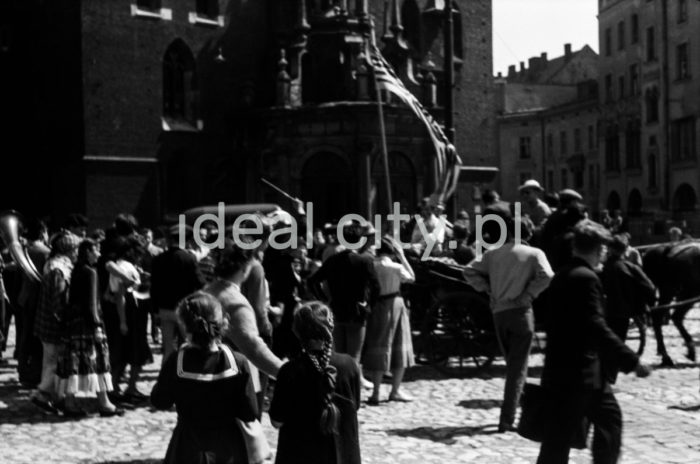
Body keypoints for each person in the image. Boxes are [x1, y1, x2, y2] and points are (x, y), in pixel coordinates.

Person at [537, 220, 652, 464]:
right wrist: (632, 361)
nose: (604, 253)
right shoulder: (586, 278)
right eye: (603, 248)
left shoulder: (562, 274)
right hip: (582, 374)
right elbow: (595, 326)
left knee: (558, 439)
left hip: (561, 370)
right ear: (597, 248)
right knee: (607, 423)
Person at [464, 215, 553, 432]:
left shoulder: (493, 253)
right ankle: (507, 418)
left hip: (498, 313)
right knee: (517, 369)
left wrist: (487, 289)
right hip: (521, 314)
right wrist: (529, 294)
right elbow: (548, 275)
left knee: (512, 364)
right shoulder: (534, 253)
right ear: (529, 233)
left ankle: (516, 407)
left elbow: (468, 270)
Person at [151, 292, 261, 464]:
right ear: (221, 322)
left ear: (185, 326)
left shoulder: (177, 361)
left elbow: (160, 401)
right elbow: (250, 413)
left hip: (187, 446)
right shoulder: (237, 362)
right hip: (228, 448)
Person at [269, 302, 361, 464]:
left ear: (297, 332)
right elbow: (355, 407)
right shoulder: (349, 366)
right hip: (342, 455)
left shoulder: (289, 371)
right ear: (331, 328)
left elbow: (277, 421)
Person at [204, 241, 284, 397]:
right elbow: (254, 350)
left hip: (203, 376)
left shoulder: (207, 291)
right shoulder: (236, 303)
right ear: (245, 268)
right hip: (228, 379)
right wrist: (285, 373)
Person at [56, 239, 124, 417]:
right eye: (96, 250)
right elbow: (91, 303)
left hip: (74, 324)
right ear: (88, 252)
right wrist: (97, 325)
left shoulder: (77, 269)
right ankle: (104, 403)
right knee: (99, 361)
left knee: (74, 363)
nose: (99, 254)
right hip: (88, 325)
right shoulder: (91, 272)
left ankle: (71, 401)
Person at [307, 221, 380, 365]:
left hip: (337, 310)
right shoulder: (365, 260)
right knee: (354, 357)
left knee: (339, 356)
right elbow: (376, 286)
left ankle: (341, 386)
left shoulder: (333, 260)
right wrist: (370, 305)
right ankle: (352, 386)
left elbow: (312, 281)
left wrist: (323, 299)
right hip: (357, 311)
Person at [31, 231, 81, 413]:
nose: (77, 253)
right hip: (54, 325)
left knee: (50, 362)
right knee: (55, 363)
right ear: (68, 249)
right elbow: (58, 300)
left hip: (46, 323)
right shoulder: (59, 269)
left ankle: (55, 397)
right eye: (75, 249)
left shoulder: (53, 265)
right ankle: (41, 394)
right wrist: (65, 320)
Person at [363, 236, 416, 405]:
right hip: (395, 304)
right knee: (400, 347)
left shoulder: (371, 265)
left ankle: (376, 393)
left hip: (377, 305)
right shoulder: (396, 266)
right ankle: (395, 390)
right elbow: (412, 277)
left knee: (378, 346)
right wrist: (402, 256)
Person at [600, 235, 656, 382]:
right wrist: (644, 304)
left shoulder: (602, 269)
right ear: (625, 250)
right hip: (622, 313)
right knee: (617, 343)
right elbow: (649, 288)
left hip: (603, 312)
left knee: (604, 345)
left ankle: (605, 376)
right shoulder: (629, 267)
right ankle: (609, 379)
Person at [103, 236, 151, 401]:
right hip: (130, 312)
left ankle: (116, 387)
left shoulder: (121, 266)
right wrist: (123, 321)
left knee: (123, 351)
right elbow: (120, 296)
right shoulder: (124, 267)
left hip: (128, 311)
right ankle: (126, 387)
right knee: (132, 351)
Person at [151, 225, 205, 360]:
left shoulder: (158, 259)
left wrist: (154, 310)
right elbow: (200, 283)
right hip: (184, 309)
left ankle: (166, 377)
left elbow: (154, 287)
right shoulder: (189, 258)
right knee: (189, 345)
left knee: (168, 349)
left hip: (164, 309)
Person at [15, 218, 51, 386]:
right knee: (37, 338)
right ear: (43, 231)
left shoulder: (23, 250)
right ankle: (34, 373)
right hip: (39, 298)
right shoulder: (45, 252)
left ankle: (23, 371)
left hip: (24, 296)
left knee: (23, 336)